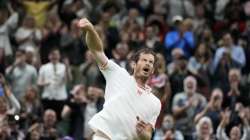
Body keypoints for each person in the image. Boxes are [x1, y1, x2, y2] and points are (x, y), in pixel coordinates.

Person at [77, 18, 161, 140]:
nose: (147, 64)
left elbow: (147, 135)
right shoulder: (118, 73)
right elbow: (97, 50)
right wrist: (91, 30)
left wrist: (142, 133)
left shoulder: (155, 103)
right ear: (134, 64)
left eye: (151, 62)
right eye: (144, 60)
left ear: (153, 70)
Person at [37, 48, 72, 119]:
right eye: (52, 55)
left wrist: (67, 67)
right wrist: (45, 83)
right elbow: (39, 83)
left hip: (60, 98)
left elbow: (69, 80)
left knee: (59, 118)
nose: (54, 57)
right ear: (49, 56)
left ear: (59, 56)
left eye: (56, 54)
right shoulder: (44, 67)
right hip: (47, 98)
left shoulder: (64, 67)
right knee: (47, 118)